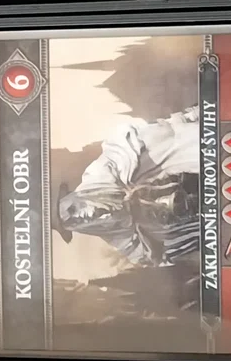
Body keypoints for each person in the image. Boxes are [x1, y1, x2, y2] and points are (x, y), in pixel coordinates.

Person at [55, 105, 202, 270]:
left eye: (73, 209)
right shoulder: (113, 232)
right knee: (166, 238)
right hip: (188, 209)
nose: (80, 217)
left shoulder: (100, 174)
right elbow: (143, 254)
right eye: (73, 222)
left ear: (73, 195)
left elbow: (124, 142)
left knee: (160, 143)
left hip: (176, 160)